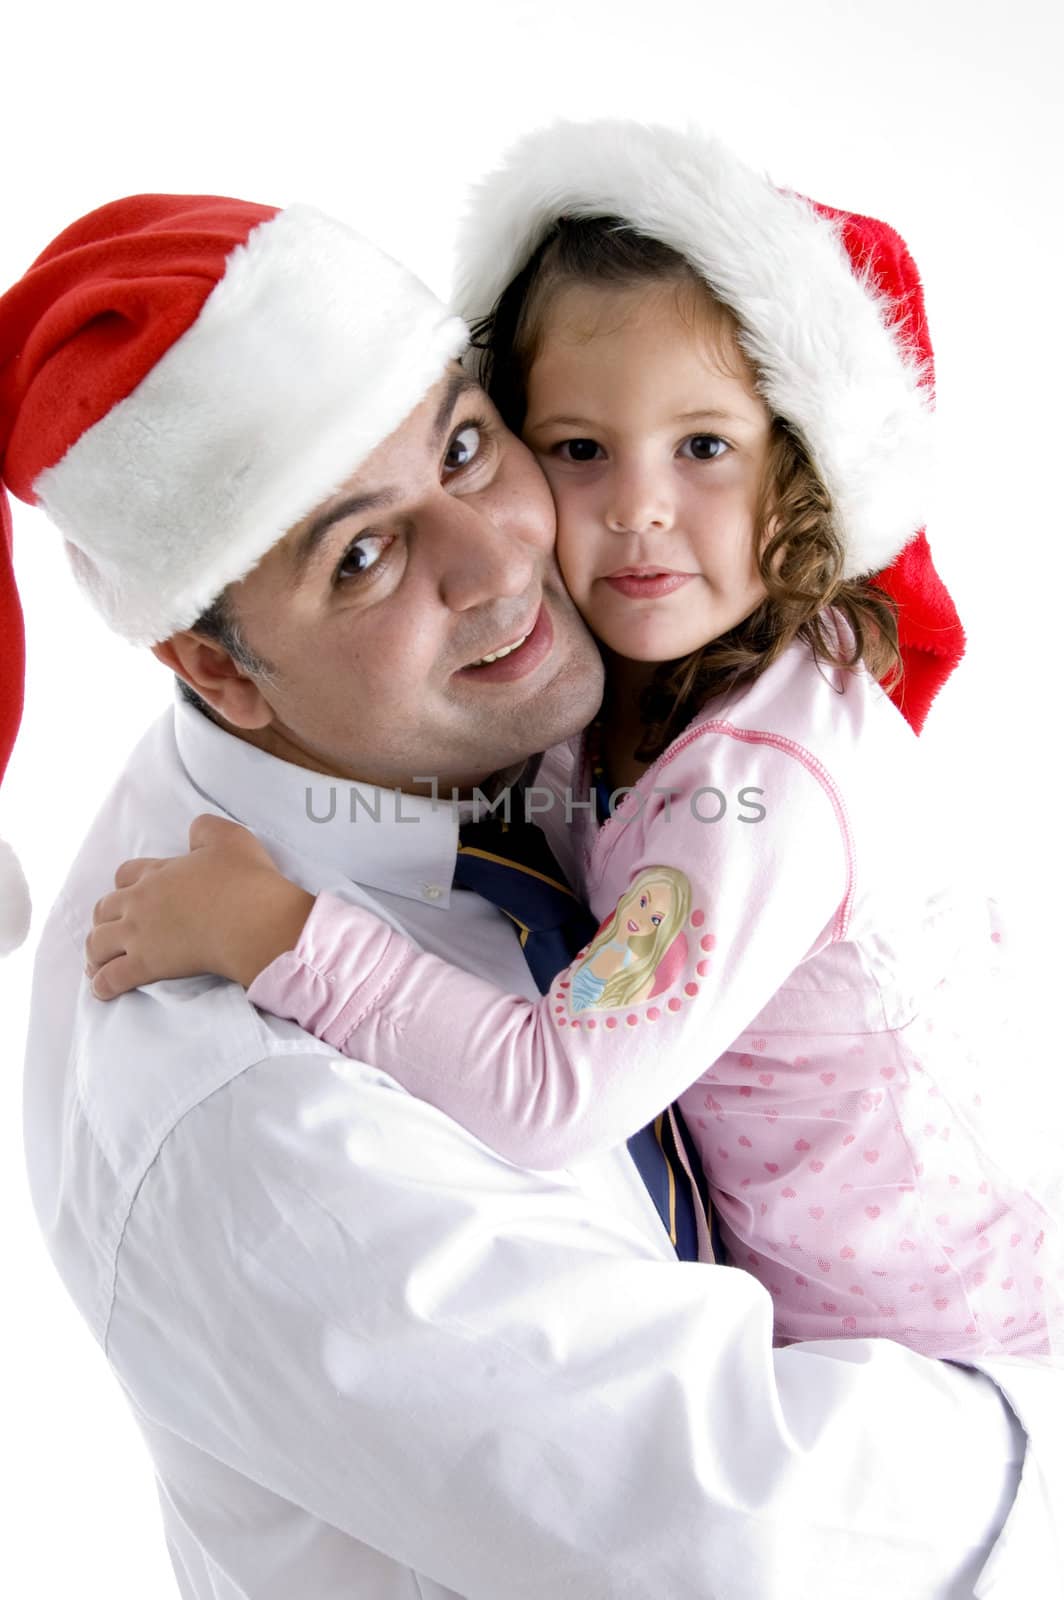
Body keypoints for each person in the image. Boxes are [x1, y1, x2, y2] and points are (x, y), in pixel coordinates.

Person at [1, 164, 1059, 1599]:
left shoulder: (554, 731)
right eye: (363, 556)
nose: (504, 561)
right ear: (211, 669)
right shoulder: (246, 1108)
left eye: (461, 447)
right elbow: (747, 1528)